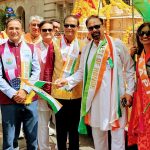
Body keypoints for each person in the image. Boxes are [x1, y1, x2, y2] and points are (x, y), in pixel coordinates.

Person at [55, 15, 135, 150]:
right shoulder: (87, 49)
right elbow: (81, 72)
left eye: (97, 26)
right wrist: (67, 80)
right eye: (91, 28)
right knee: (98, 135)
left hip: (116, 99)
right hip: (95, 100)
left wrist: (129, 92)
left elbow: (129, 69)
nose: (94, 30)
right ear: (88, 30)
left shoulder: (117, 45)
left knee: (117, 137)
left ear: (103, 26)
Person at [44, 15, 85, 150]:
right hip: (58, 94)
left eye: (72, 26)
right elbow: (49, 68)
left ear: (77, 28)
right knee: (60, 130)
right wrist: (48, 93)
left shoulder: (83, 45)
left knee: (74, 130)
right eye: (66, 25)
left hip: (76, 94)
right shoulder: (54, 44)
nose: (69, 28)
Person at [0, 17, 40, 150]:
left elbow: (36, 72)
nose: (14, 31)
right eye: (11, 28)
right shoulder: (0, 49)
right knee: (10, 140)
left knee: (32, 137)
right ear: (6, 30)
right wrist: (13, 93)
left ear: (22, 30)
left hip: (30, 99)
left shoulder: (31, 48)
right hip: (8, 100)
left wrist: (25, 91)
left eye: (17, 28)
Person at [128, 22, 150, 150]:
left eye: (148, 33)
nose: (145, 36)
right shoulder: (140, 55)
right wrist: (131, 56)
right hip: (140, 102)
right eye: (141, 33)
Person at [37, 20, 54, 150]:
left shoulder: (60, 46)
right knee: (43, 123)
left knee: (60, 123)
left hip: (59, 92)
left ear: (54, 31)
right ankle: (43, 147)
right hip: (42, 92)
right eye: (44, 30)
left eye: (50, 29)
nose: (47, 32)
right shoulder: (34, 48)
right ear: (40, 31)